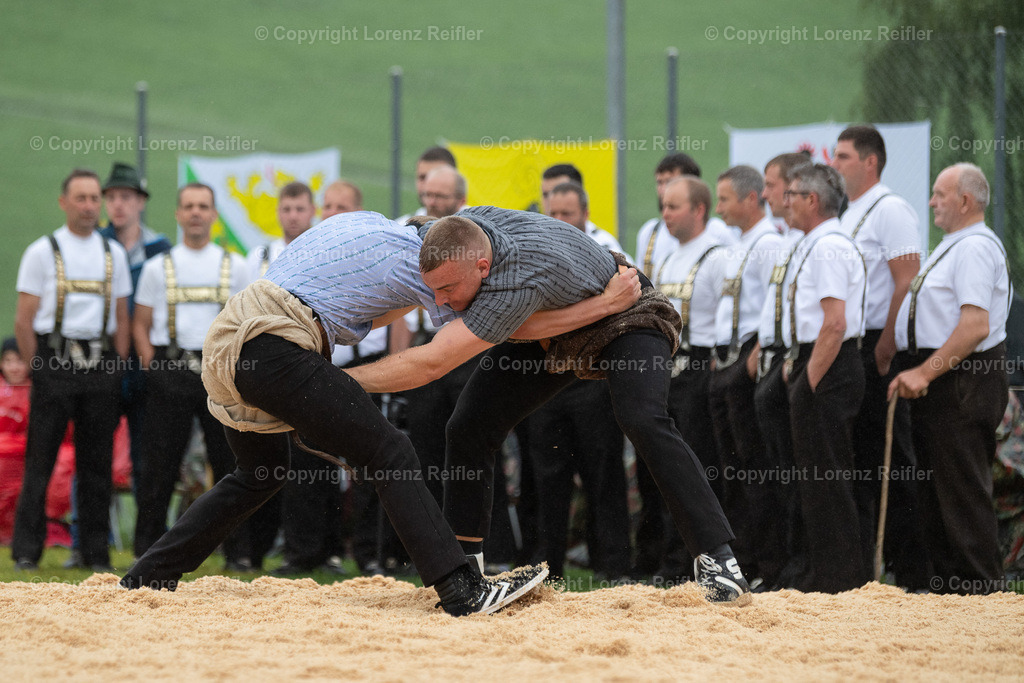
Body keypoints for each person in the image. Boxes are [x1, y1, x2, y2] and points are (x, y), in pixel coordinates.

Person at [119, 210, 639, 614]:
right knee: (392, 450)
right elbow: (494, 328)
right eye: (443, 288)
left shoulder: (364, 229)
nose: (446, 298)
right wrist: (603, 306)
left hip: (232, 340)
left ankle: (149, 573)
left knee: (257, 474)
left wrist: (326, 392)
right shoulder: (418, 267)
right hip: (273, 346)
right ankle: (460, 589)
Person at [347, 205, 752, 603]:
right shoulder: (457, 234)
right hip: (557, 324)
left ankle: (719, 560)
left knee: (643, 419)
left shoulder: (525, 273)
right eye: (434, 289)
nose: (441, 302)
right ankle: (464, 567)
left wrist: (336, 380)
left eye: (449, 290)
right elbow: (490, 313)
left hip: (626, 311)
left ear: (483, 267)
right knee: (468, 425)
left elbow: (435, 360)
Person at [889, 163, 1010, 594]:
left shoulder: (976, 247)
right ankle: (949, 591)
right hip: (945, 376)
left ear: (965, 201)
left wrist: (925, 370)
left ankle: (980, 591)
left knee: (960, 488)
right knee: (938, 489)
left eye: (940, 194)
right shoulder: (956, 244)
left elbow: (974, 325)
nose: (931, 201)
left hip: (962, 379)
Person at [11, 169, 132, 571]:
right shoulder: (42, 251)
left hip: (101, 362)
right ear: (63, 202)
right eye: (80, 198)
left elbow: (121, 316)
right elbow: (23, 321)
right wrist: (38, 368)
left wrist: (117, 365)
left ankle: (94, 552)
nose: (88, 206)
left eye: (94, 198)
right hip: (54, 360)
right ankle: (27, 550)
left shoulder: (113, 253)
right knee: (40, 458)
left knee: (96, 463)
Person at [131, 183, 251, 569]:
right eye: (188, 206)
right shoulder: (156, 267)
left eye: (203, 205)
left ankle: (238, 553)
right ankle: (147, 550)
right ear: (178, 214)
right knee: (159, 465)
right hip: (170, 368)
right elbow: (140, 324)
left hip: (219, 371)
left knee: (231, 463)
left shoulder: (236, 266)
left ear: (214, 214)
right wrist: (153, 365)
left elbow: (247, 321)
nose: (196, 212)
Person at [831, 125, 928, 589]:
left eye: (844, 156)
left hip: (879, 343)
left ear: (871, 162)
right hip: (855, 342)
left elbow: (906, 279)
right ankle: (876, 568)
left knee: (893, 458)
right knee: (864, 457)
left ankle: (913, 571)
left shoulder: (890, 210)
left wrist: (886, 344)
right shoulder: (852, 214)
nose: (836, 164)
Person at [531, 181, 631, 581]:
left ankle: (614, 568)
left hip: (592, 379)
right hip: (546, 378)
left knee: (602, 474)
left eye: (566, 214)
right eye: (552, 213)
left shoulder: (609, 253)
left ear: (585, 215)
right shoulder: (536, 251)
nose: (558, 221)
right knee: (546, 478)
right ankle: (543, 570)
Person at [781, 163, 867, 593]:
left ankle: (840, 582)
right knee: (814, 479)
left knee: (827, 479)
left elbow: (835, 323)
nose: (784, 203)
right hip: (816, 362)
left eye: (791, 195)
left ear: (811, 200)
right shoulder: (816, 244)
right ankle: (821, 575)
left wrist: (808, 380)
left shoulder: (830, 246)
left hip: (829, 366)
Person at [707, 165, 786, 589]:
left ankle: (770, 565)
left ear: (751, 199)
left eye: (725, 199)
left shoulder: (769, 243)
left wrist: (754, 355)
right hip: (726, 361)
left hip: (747, 358)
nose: (719, 208)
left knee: (755, 467)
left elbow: (773, 305)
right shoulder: (737, 245)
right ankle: (746, 561)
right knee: (732, 469)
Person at [651, 176, 728, 583]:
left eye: (674, 207)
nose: (666, 214)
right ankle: (672, 564)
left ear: (699, 209)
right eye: (664, 206)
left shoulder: (716, 257)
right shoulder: (669, 257)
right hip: (667, 372)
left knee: (693, 469)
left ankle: (702, 562)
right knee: (667, 471)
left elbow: (726, 322)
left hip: (698, 370)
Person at [752, 151, 812, 587]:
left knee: (800, 472)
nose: (767, 194)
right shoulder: (789, 241)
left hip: (798, 358)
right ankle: (785, 565)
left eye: (772, 185)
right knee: (778, 473)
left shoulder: (809, 242)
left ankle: (804, 566)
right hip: (779, 357)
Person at [542, 164, 626, 255]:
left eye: (566, 213)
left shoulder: (605, 247)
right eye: (545, 195)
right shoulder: (536, 239)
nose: (558, 219)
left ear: (585, 214)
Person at [246, 181, 317, 281]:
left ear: (313, 210)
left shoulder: (325, 255)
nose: (293, 216)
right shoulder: (258, 257)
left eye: (300, 209)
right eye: (286, 209)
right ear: (278, 211)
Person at [396, 146, 457, 224]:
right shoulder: (402, 227)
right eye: (422, 177)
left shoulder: (475, 226)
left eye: (435, 177)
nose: (428, 185)